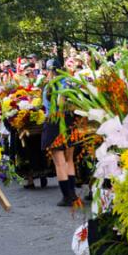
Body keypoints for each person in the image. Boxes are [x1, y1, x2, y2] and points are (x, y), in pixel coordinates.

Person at [41, 59, 80, 206]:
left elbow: (53, 103)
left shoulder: (49, 85)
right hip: (70, 121)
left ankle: (67, 196)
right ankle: (73, 194)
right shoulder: (70, 82)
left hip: (54, 122)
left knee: (59, 162)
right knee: (69, 159)